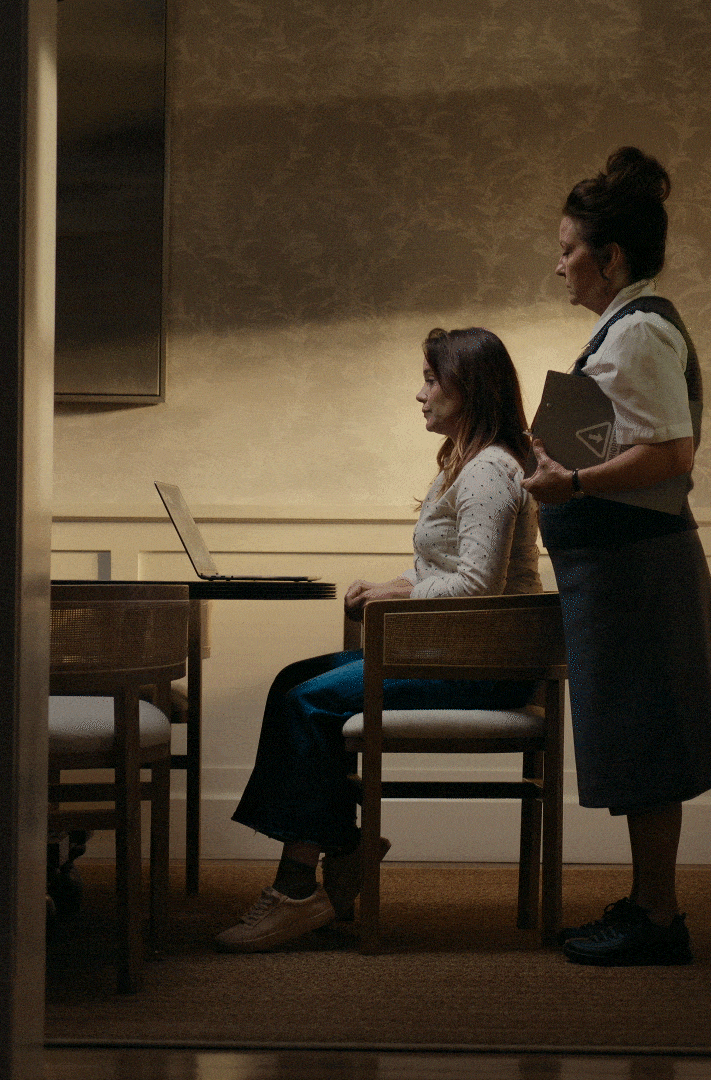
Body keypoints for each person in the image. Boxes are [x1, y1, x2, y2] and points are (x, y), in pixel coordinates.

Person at [216, 326, 545, 952]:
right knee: (293, 680)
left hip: (481, 666)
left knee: (306, 702)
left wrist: (398, 596)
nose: (418, 395)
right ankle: (344, 846)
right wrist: (391, 584)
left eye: (430, 380)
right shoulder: (464, 466)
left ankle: (298, 886)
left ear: (468, 390)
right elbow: (440, 571)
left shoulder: (490, 472)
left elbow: (478, 588)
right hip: (449, 652)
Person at [521, 147, 711, 966]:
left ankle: (658, 918)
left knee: (648, 745)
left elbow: (670, 455)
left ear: (609, 257)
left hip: (638, 570)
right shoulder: (629, 328)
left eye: (569, 249)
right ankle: (652, 902)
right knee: (641, 743)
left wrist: (571, 483)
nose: (560, 266)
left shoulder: (641, 331)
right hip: (624, 571)